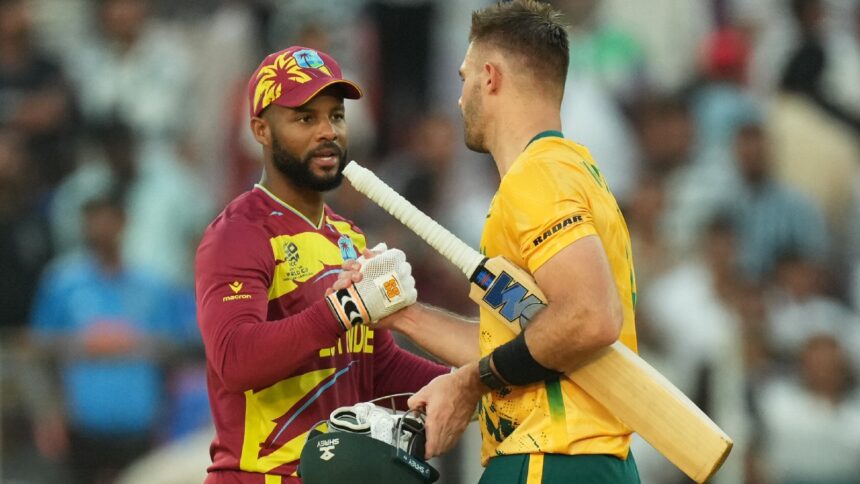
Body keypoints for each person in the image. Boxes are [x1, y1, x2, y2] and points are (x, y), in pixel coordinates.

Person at [338, 1, 641, 482]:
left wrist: (466, 385)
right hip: (581, 461)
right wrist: (404, 314)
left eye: (463, 78)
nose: (459, 99)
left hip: (547, 460)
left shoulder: (538, 178)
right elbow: (529, 342)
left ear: (491, 77)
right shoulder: (575, 172)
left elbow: (590, 318)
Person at [193, 45, 449, 483]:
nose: (327, 131)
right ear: (261, 130)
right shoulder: (238, 232)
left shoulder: (347, 235)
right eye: (305, 118)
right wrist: (345, 308)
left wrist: (477, 382)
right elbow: (234, 359)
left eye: (336, 116)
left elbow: (376, 367)